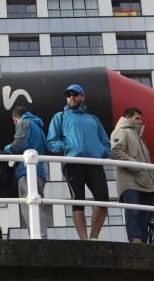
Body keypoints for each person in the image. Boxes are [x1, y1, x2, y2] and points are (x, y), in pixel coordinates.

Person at [46, 84, 111, 240]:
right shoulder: (59, 117)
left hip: (94, 163)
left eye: (75, 94)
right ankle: (83, 240)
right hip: (72, 163)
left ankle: (93, 238)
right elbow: (51, 142)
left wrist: (101, 151)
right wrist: (68, 147)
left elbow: (106, 143)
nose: (71, 97)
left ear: (83, 97)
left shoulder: (93, 119)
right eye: (68, 95)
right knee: (78, 200)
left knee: (103, 199)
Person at [110, 107, 154, 244]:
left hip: (145, 185)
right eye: (137, 118)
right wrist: (135, 165)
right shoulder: (121, 131)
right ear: (128, 118)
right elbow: (115, 152)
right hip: (129, 183)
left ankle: (141, 245)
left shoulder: (140, 140)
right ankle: (136, 244)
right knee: (134, 213)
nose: (141, 121)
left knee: (145, 218)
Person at [3, 105, 51, 239]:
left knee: (29, 206)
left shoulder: (23, 123)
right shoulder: (38, 126)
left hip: (27, 171)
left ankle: (37, 238)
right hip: (40, 171)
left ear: (14, 119)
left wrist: (6, 149)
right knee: (37, 205)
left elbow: (18, 144)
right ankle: (41, 236)